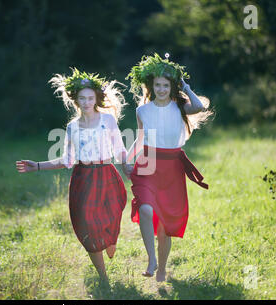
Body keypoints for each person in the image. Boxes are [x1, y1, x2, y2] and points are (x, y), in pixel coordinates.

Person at [16, 68, 131, 283]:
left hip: (107, 174)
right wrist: (37, 166)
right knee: (87, 225)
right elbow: (66, 160)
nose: (87, 102)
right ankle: (103, 277)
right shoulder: (72, 127)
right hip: (83, 179)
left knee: (112, 214)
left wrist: (126, 166)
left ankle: (111, 238)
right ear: (75, 100)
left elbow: (120, 150)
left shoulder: (108, 120)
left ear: (96, 98)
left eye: (90, 97)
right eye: (82, 98)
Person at [124, 53, 213, 282]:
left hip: (172, 167)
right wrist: (127, 158)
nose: (162, 89)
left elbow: (200, 106)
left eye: (166, 85)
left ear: (171, 87)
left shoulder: (180, 106)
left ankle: (162, 268)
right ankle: (151, 258)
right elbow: (140, 137)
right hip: (147, 162)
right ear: (151, 87)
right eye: (158, 85)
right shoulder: (142, 111)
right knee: (145, 209)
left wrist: (186, 86)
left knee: (165, 223)